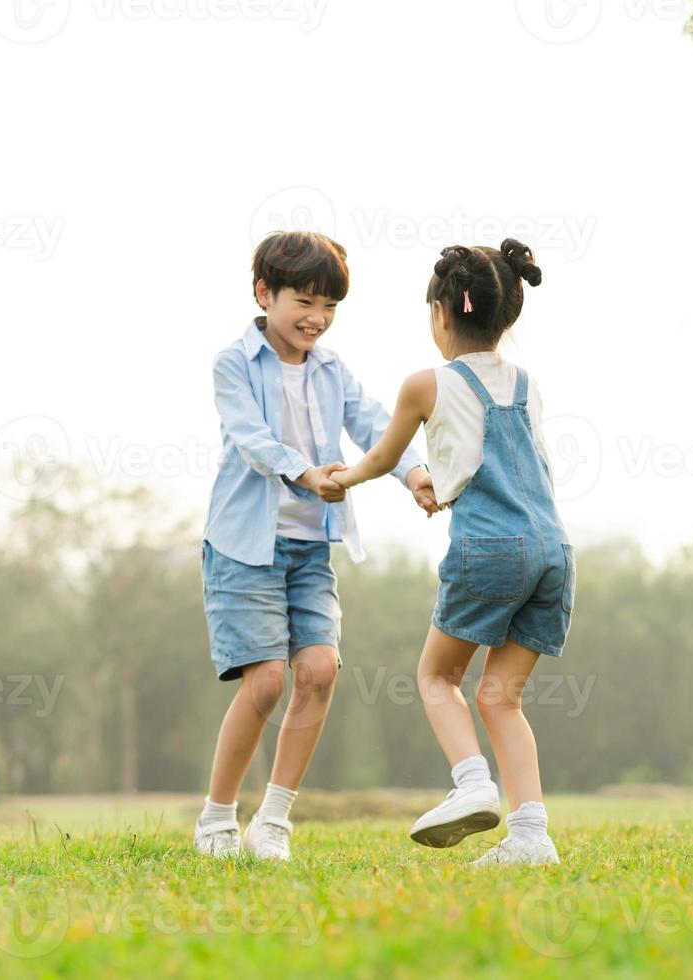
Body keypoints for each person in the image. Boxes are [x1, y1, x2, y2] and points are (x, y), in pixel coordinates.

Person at [195, 230, 437, 861]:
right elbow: (250, 438)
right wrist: (306, 472)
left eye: (330, 306)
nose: (318, 319)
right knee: (267, 682)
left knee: (321, 670)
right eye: (305, 300)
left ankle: (273, 821)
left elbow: (375, 426)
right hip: (244, 546)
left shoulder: (332, 369)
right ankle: (217, 820)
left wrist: (413, 473)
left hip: (311, 545)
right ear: (263, 293)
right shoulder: (233, 364)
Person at [331, 239, 574, 866]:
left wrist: (345, 478)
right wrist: (442, 476)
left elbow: (385, 456)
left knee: (438, 677)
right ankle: (531, 837)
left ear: (442, 314)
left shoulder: (425, 383)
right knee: (502, 697)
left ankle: (471, 785)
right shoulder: (527, 383)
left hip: (489, 547)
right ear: (507, 314)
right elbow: (509, 459)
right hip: (551, 550)